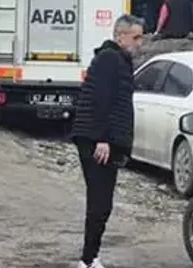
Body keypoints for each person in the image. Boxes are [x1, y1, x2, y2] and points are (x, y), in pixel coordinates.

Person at [70, 14, 143, 268]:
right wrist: (102, 138)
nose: (139, 43)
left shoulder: (118, 59)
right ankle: (87, 259)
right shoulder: (109, 58)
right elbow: (100, 100)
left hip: (103, 139)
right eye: (136, 37)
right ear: (120, 36)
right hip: (97, 140)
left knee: (103, 203)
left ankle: (91, 257)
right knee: (99, 202)